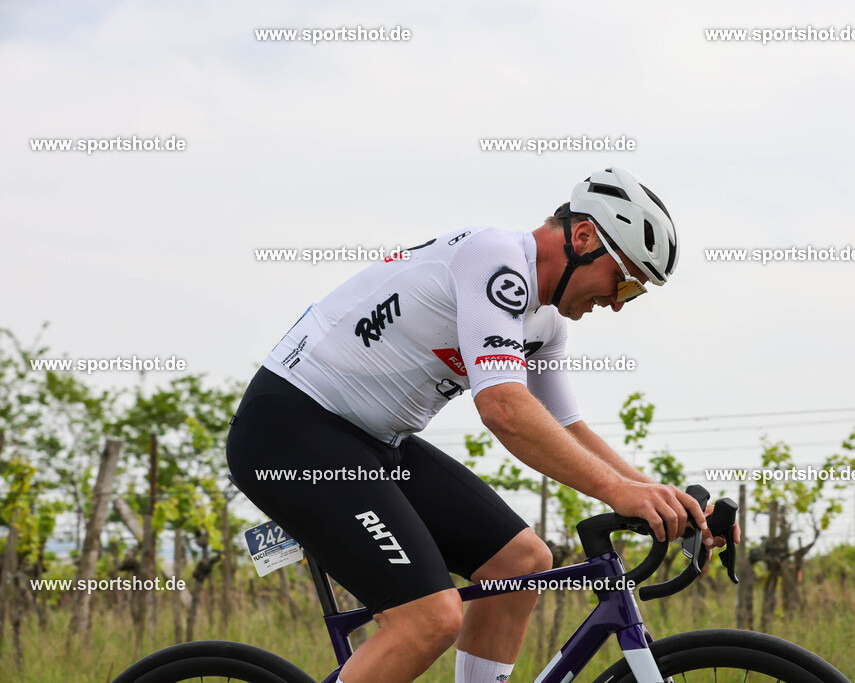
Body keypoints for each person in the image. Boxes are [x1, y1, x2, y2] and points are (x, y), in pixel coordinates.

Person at [226, 167, 738, 683]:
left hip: (376, 443)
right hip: (290, 431)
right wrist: (617, 492)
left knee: (521, 565)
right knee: (428, 618)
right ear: (584, 237)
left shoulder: (545, 322)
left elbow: (568, 428)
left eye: (636, 293)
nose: (619, 302)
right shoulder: (493, 259)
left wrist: (670, 503)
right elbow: (504, 409)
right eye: (625, 280)